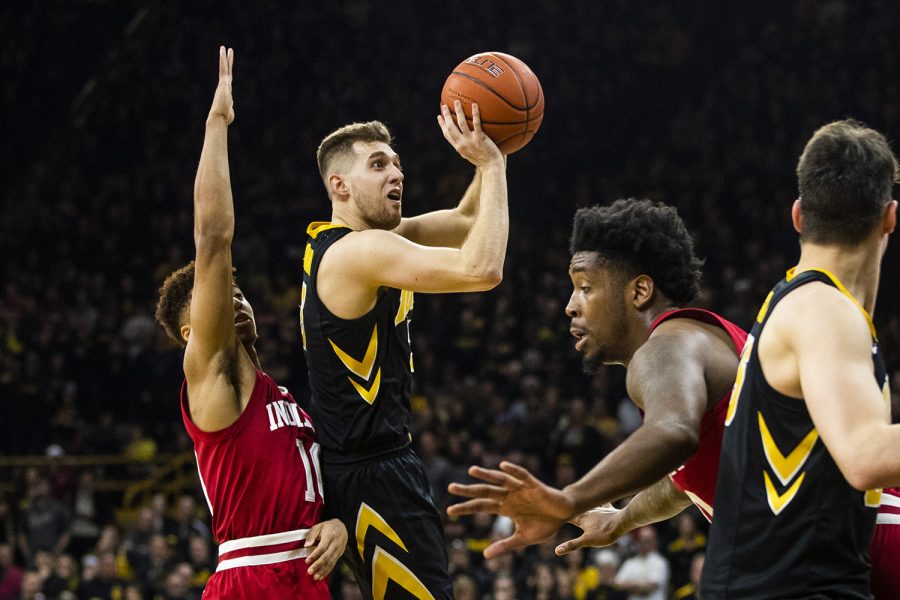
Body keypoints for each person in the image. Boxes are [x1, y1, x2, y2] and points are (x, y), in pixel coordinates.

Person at [446, 199, 746, 558]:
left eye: (585, 287)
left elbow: (673, 433)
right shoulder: (697, 339)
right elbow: (684, 481)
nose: (570, 305)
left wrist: (568, 499)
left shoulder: (665, 348)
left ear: (639, 292)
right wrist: (620, 520)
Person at [153, 47, 346, 598]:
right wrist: (217, 123)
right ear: (192, 333)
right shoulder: (211, 373)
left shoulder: (274, 393)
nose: (231, 295)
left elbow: (307, 488)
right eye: (217, 296)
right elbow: (213, 240)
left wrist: (335, 523)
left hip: (302, 576)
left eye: (236, 290)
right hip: (252, 579)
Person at [300, 93, 508, 597]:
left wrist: (497, 145)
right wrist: (494, 166)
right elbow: (482, 268)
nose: (396, 173)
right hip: (372, 472)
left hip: (372, 465)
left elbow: (464, 222)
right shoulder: (360, 252)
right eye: (378, 165)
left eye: (397, 163)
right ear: (339, 185)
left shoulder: (366, 241)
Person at [701, 119, 899, 598]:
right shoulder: (824, 314)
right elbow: (866, 456)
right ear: (890, 217)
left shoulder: (798, 304)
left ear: (797, 215)